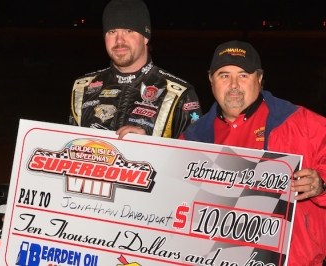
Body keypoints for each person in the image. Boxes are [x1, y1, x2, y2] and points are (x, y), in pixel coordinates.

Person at [180, 40, 326, 265]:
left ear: (259, 78)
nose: (234, 85)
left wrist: (321, 185)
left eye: (243, 75)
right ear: (211, 80)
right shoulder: (194, 137)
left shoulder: (300, 122)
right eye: (224, 75)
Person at [69, 0, 201, 139]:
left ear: (145, 38)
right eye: (112, 32)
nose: (119, 40)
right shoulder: (82, 88)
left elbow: (195, 158)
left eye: (129, 31)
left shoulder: (179, 95)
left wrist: (149, 146)